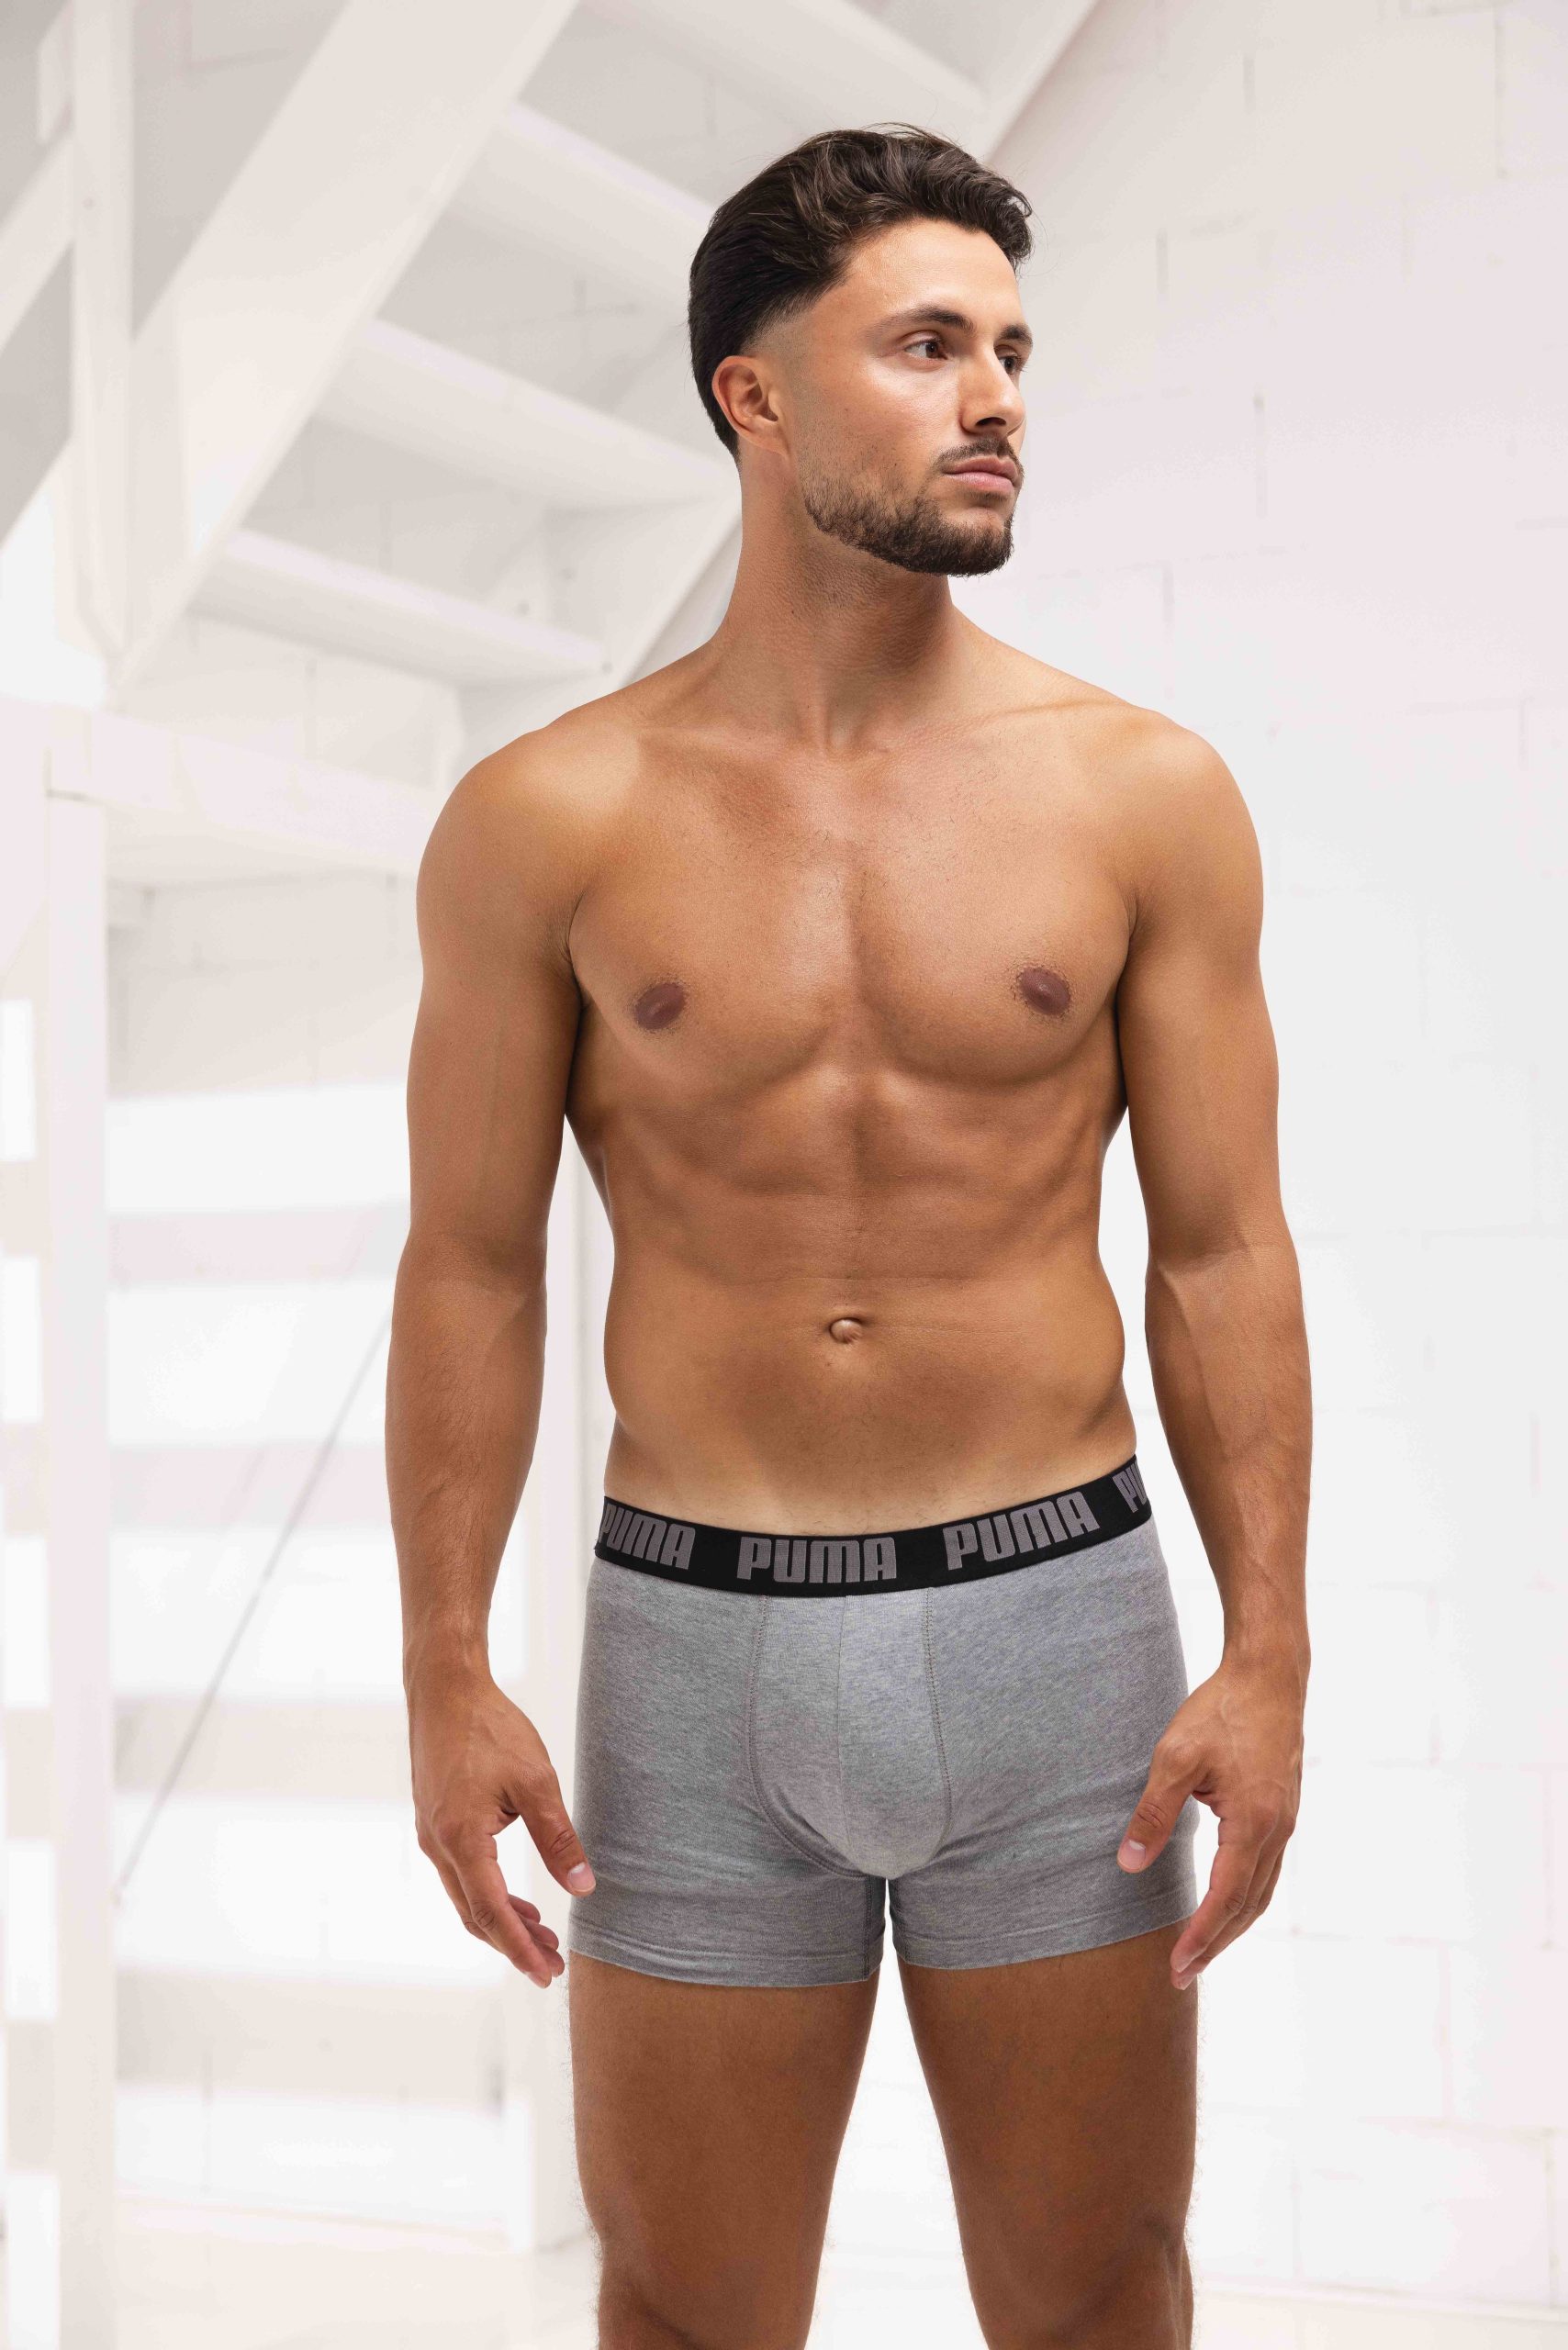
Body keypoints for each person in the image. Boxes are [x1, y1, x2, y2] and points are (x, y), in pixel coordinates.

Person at [386, 122, 1310, 2350]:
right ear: (755, 394)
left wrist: (1267, 1645)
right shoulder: (546, 816)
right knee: (683, 2310)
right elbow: (470, 1266)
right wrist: (441, 1664)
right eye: (923, 346)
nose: (993, 397)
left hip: (1053, 1629)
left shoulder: (1138, 792)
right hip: (691, 1650)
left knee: (1099, 2297)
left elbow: (1217, 1251)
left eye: (1010, 351)